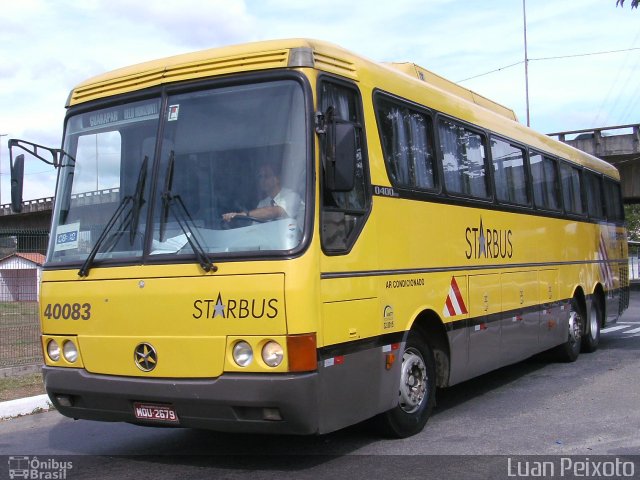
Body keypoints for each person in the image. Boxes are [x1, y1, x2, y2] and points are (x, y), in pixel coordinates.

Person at [222, 162, 302, 223]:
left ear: (277, 179)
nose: (262, 180)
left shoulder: (292, 196)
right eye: (260, 177)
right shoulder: (263, 203)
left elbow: (275, 212)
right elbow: (256, 228)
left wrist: (244, 215)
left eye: (266, 176)